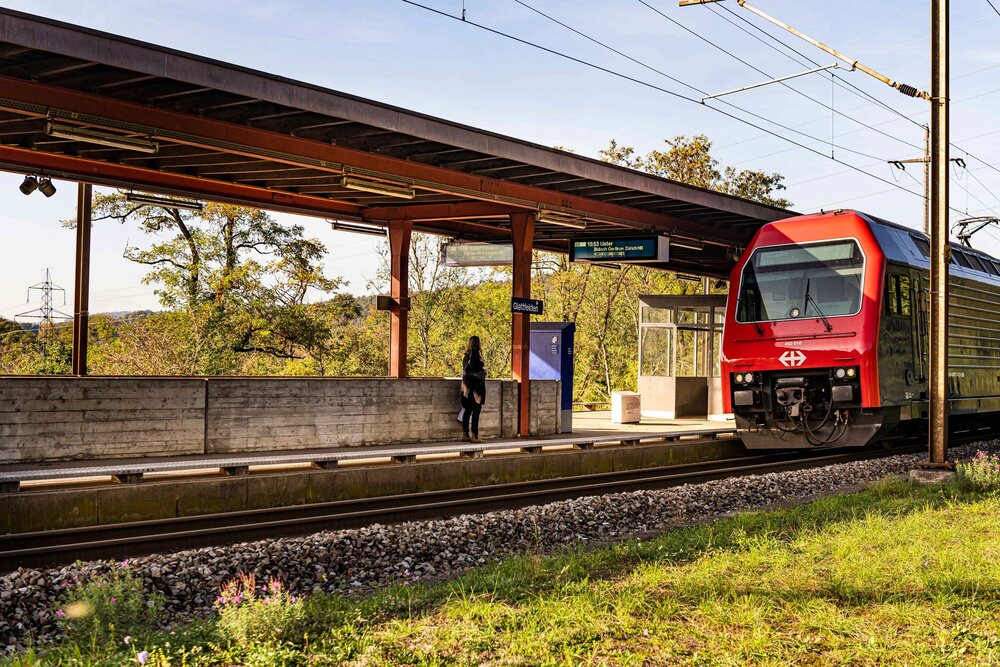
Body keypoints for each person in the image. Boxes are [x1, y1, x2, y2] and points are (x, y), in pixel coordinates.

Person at [461, 335, 486, 442]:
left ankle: (465, 434)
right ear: (478, 343)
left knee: (467, 410)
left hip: (466, 386)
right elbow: (473, 367)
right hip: (475, 387)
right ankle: (474, 435)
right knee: (476, 410)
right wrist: (482, 371)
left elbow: (466, 370)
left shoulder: (466, 355)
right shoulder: (475, 354)